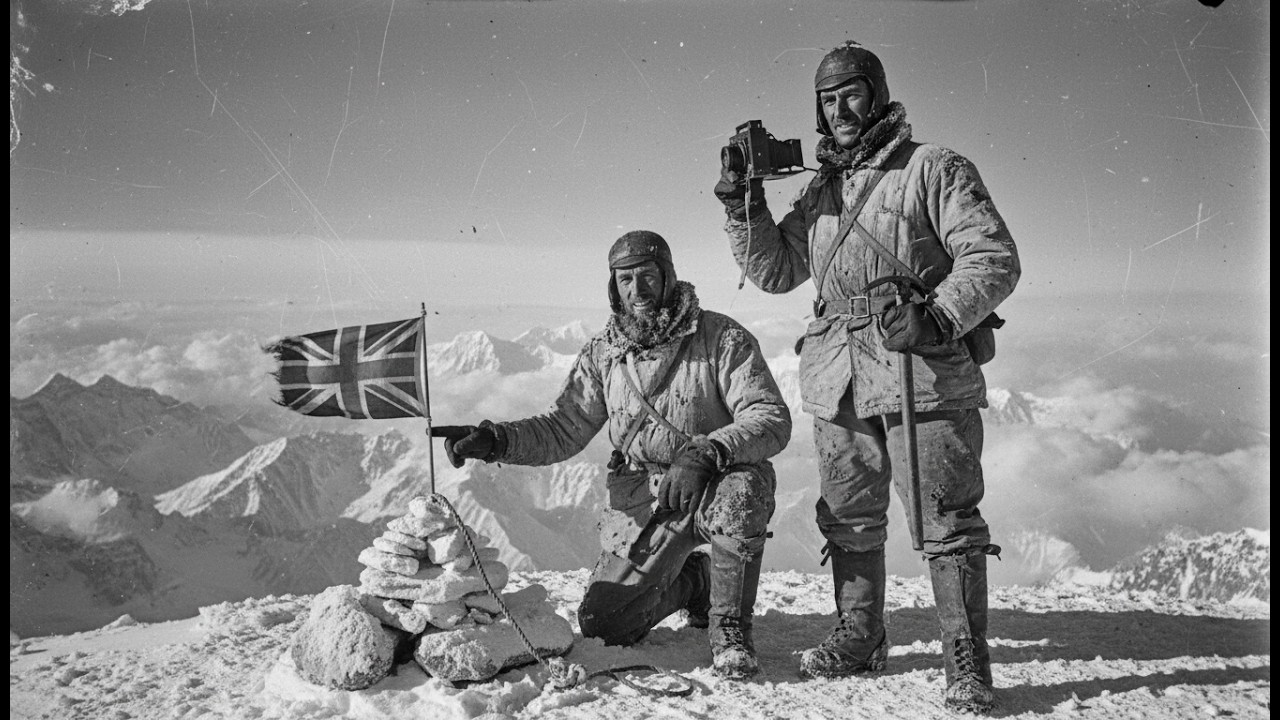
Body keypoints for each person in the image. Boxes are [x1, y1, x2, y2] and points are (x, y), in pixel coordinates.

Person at [713, 41, 1020, 713]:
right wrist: (744, 205)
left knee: (946, 516)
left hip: (921, 368)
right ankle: (860, 636)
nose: (839, 110)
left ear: (877, 95)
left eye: (851, 94)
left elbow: (993, 256)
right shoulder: (822, 189)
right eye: (827, 100)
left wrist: (938, 315)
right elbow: (776, 271)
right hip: (838, 371)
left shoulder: (932, 168)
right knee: (848, 514)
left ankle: (966, 662)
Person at [443, 230, 791, 680]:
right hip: (647, 496)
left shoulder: (720, 337)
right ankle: (695, 582)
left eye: (647, 276)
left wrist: (707, 452)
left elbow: (769, 416)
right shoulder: (605, 354)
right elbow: (563, 428)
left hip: (713, 480)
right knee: (604, 624)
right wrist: (496, 441)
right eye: (625, 280)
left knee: (742, 494)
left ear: (668, 278)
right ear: (613, 286)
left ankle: (730, 633)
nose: (637, 290)